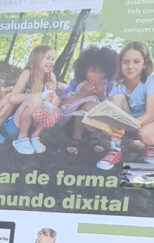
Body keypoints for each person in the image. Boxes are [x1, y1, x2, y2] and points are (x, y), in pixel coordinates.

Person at [0, 45, 61, 155]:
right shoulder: (28, 73)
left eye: (52, 59)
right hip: (15, 125)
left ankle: (34, 136)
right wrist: (37, 96)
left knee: (54, 98)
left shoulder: (51, 77)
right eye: (47, 58)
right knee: (36, 99)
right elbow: (12, 98)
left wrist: (47, 96)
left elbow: (52, 100)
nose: (51, 61)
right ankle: (20, 138)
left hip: (34, 123)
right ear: (37, 58)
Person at [96, 41, 154, 170]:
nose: (130, 66)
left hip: (148, 123)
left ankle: (150, 150)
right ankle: (115, 150)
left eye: (136, 61)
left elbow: (151, 114)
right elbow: (108, 110)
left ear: (145, 64)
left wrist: (123, 126)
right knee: (116, 98)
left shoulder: (151, 81)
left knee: (146, 134)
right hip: (131, 125)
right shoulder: (118, 87)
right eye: (126, 62)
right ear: (120, 64)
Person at [59, 46, 118, 155]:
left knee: (90, 105)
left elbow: (110, 105)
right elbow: (62, 104)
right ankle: (76, 139)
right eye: (92, 71)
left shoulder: (108, 84)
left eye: (102, 72)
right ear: (83, 69)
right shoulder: (76, 83)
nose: (97, 75)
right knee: (84, 107)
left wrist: (101, 95)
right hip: (71, 122)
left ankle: (93, 137)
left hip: (97, 121)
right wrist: (82, 94)